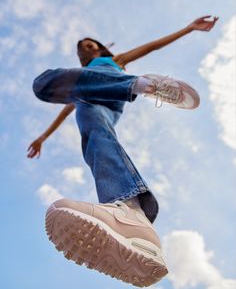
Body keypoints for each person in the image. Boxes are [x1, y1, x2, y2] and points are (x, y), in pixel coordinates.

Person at [28, 15, 218, 287]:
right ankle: (131, 214)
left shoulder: (115, 61)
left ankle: (144, 85)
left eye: (92, 45)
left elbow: (152, 46)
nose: (88, 49)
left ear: (102, 48)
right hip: (89, 98)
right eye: (84, 48)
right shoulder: (81, 78)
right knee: (93, 134)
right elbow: (65, 109)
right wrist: (43, 136)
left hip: (114, 95)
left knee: (47, 84)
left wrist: (188, 29)